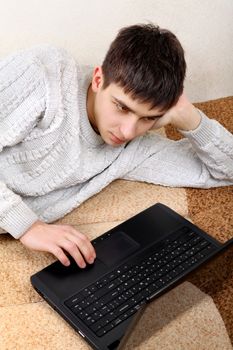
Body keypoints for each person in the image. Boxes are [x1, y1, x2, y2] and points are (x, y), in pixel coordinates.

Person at [0, 24, 232, 269]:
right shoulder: (45, 74)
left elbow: (225, 171)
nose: (128, 131)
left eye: (148, 118)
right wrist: (27, 226)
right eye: (122, 107)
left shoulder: (133, 146)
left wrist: (191, 118)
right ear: (99, 79)